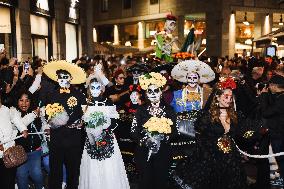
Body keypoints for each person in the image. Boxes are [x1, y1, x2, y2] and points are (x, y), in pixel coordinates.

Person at [174, 77, 256, 189]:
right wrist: (208, 152)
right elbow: (200, 139)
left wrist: (253, 133)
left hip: (230, 159)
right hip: (210, 158)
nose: (229, 100)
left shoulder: (235, 116)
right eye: (226, 96)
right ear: (217, 97)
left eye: (231, 97)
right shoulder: (206, 117)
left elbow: (243, 132)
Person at [42, 60, 87, 189]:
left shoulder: (80, 95)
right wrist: (50, 121)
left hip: (73, 140)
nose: (62, 80)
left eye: (65, 77)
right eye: (60, 77)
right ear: (57, 79)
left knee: (73, 172)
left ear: (71, 78)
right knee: (55, 171)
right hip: (57, 140)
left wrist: (82, 123)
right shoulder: (51, 95)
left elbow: (85, 115)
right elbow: (47, 116)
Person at [79, 77, 130, 189]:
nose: (95, 90)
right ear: (89, 89)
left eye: (98, 87)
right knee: (92, 167)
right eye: (93, 88)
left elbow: (115, 122)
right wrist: (89, 129)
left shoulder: (108, 102)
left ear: (102, 88)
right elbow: (84, 123)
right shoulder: (85, 103)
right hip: (91, 139)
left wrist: (103, 131)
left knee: (109, 167)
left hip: (107, 139)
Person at [131, 72, 178, 189]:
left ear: (161, 92)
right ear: (146, 93)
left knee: (160, 182)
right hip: (144, 152)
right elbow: (133, 131)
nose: (153, 94)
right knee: (145, 182)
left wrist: (163, 137)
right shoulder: (141, 110)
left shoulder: (169, 110)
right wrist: (145, 140)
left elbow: (175, 131)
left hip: (163, 152)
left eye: (156, 91)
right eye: (149, 91)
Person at [14, 91, 43, 189]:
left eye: (27, 101)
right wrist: (33, 114)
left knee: (37, 175)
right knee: (21, 176)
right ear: (17, 101)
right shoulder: (14, 113)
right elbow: (20, 124)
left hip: (35, 151)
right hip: (19, 153)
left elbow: (45, 123)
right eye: (21, 100)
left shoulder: (37, 111)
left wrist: (47, 127)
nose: (24, 103)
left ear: (31, 101)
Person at [259, 74, 284, 184]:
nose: (268, 88)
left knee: (280, 157)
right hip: (279, 131)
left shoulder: (281, 100)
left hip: (278, 133)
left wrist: (263, 96)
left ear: (274, 86)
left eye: (270, 85)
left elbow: (266, 112)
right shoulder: (280, 96)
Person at [0, 91, 28, 189]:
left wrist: (23, 129)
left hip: (9, 152)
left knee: (9, 180)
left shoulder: (7, 110)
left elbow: (16, 119)